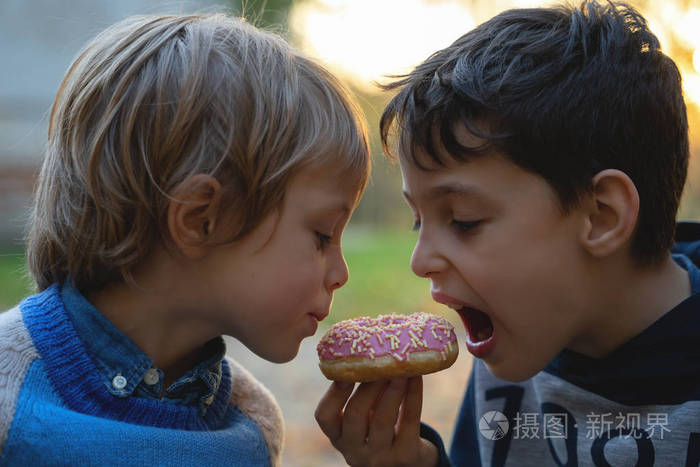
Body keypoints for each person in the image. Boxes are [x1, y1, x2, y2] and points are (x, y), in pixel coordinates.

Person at [315, 1, 700, 465]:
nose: (419, 261)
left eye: (463, 220)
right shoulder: (514, 351)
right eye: (419, 219)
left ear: (601, 216)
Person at [0, 13, 369, 466]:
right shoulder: (9, 392)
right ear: (199, 219)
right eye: (322, 235)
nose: (341, 272)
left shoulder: (252, 425)